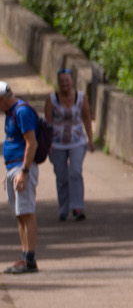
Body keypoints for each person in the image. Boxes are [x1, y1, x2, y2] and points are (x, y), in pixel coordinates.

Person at [0, 82, 40, 274]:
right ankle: (24, 256)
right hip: (12, 168)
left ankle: (29, 259)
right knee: (20, 213)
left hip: (21, 168)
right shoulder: (10, 113)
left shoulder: (22, 112)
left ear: (2, 99)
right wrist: (8, 173)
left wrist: (23, 171)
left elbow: (31, 143)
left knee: (26, 212)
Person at [45, 69, 93, 223]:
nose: (64, 84)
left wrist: (90, 139)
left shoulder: (81, 97)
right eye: (61, 81)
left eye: (67, 81)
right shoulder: (51, 99)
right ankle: (63, 209)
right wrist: (47, 143)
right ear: (58, 83)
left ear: (72, 81)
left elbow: (87, 118)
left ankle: (78, 207)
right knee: (62, 176)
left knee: (75, 172)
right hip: (57, 143)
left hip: (77, 141)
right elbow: (48, 123)